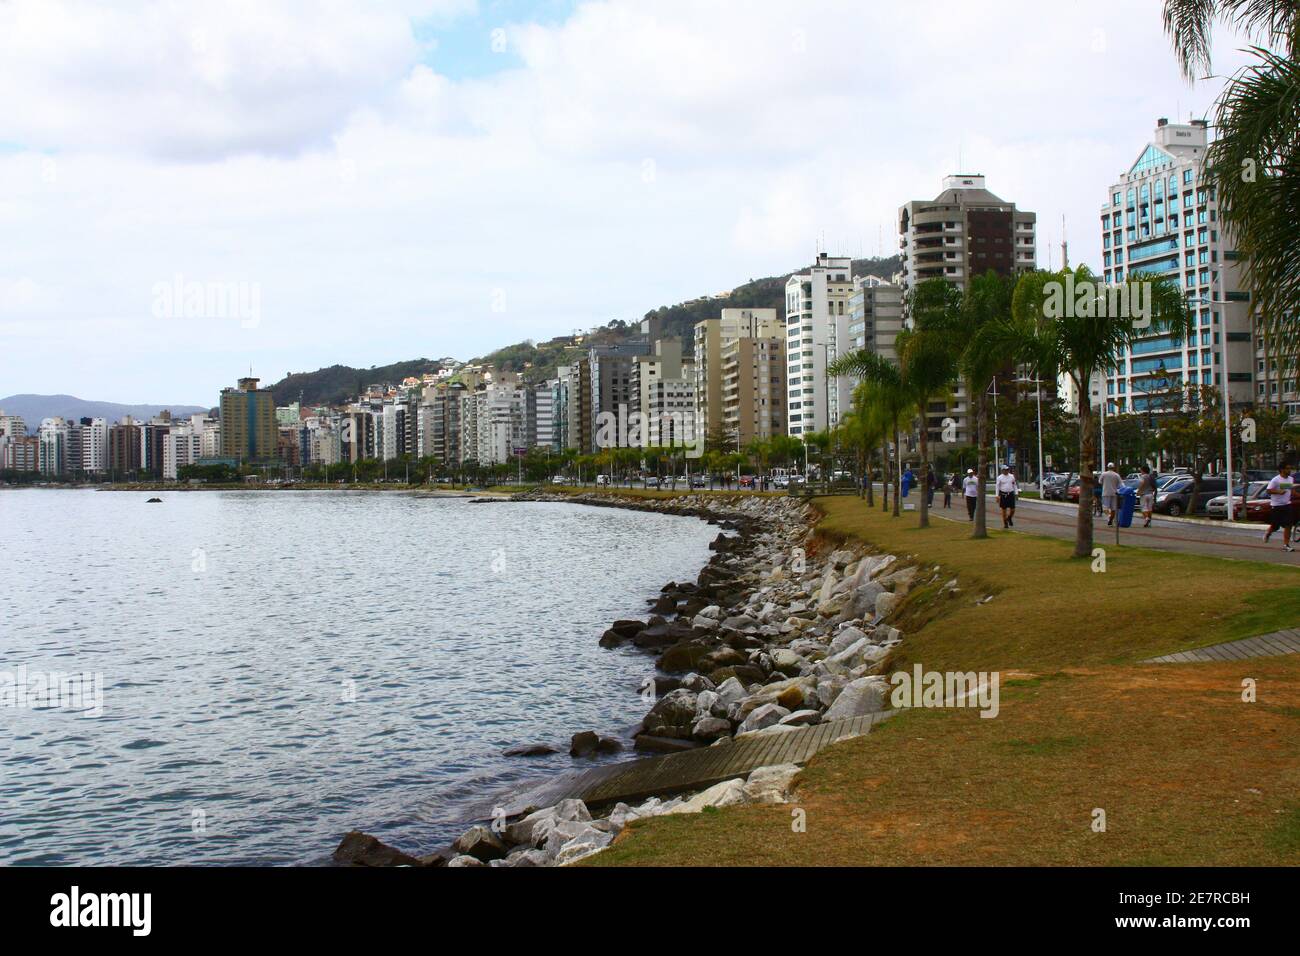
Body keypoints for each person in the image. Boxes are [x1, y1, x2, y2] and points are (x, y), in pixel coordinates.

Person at [1263, 462, 1295, 552]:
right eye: (1288, 468)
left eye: (1290, 468)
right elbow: (1268, 491)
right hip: (1276, 506)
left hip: (1287, 505)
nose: (1290, 470)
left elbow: (1290, 490)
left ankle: (1286, 545)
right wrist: (1278, 492)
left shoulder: (1291, 479)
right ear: (1282, 470)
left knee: (1289, 525)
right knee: (1275, 526)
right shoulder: (1276, 480)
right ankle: (1268, 533)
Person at [1137, 464, 1158, 528]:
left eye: (1141, 470)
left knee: (1144, 508)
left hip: (1144, 494)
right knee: (1149, 508)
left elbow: (1142, 483)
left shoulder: (1143, 477)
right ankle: (1148, 521)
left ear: (1143, 470)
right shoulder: (1151, 477)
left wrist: (1139, 491)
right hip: (1150, 494)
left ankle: (1146, 518)